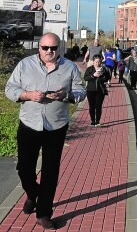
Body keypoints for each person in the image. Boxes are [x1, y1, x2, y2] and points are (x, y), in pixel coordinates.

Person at [4, 33, 86, 230]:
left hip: (56, 126)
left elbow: (81, 91)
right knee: (24, 168)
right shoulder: (25, 65)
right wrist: (27, 95)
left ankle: (44, 213)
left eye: (53, 48)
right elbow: (10, 88)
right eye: (45, 48)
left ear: (60, 48)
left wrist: (66, 95)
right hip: (29, 124)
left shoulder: (70, 67)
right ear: (38, 47)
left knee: (50, 170)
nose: (49, 52)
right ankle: (33, 194)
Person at [83, 54, 111, 127]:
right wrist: (93, 75)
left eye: (99, 62)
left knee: (98, 106)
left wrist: (102, 77)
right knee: (91, 107)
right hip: (90, 90)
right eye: (96, 62)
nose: (97, 63)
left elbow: (108, 77)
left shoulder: (104, 69)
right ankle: (93, 121)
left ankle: (98, 121)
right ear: (93, 61)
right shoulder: (89, 69)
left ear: (101, 61)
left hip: (100, 90)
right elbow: (85, 78)